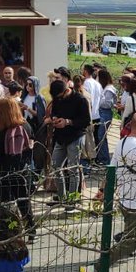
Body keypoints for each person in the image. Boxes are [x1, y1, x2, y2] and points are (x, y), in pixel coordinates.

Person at [80, 112, 136, 272]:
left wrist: (102, 190)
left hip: (132, 199)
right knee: (129, 245)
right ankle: (94, 269)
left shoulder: (122, 142)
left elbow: (113, 169)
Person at [47, 78, 89, 207]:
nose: (59, 99)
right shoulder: (57, 98)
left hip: (75, 137)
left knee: (72, 169)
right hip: (60, 137)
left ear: (66, 90)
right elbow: (54, 110)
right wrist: (54, 118)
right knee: (55, 166)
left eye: (61, 96)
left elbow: (86, 121)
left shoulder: (80, 100)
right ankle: (61, 196)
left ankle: (72, 200)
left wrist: (68, 122)